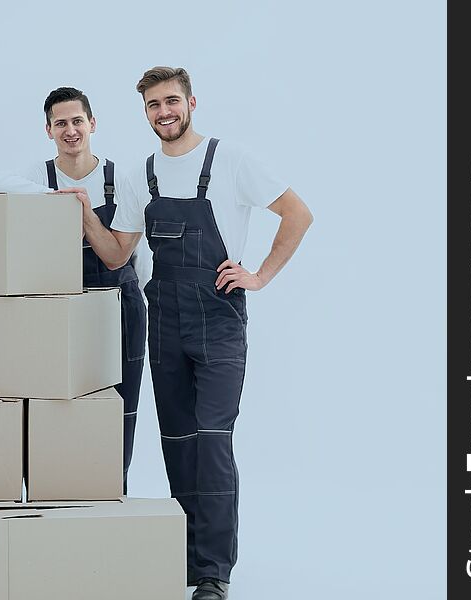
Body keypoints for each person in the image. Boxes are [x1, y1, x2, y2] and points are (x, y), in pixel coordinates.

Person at [71, 67, 313, 600]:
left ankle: (213, 574)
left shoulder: (230, 160)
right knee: (178, 442)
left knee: (212, 440)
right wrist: (86, 213)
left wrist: (260, 274)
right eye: (154, 105)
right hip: (166, 320)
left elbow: (297, 213)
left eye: (172, 101)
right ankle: (185, 562)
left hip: (219, 317)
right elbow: (116, 255)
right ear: (145, 113)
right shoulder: (142, 176)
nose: (165, 112)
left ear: (192, 103)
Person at [24, 86, 149, 491]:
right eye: (60, 123)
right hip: (59, 306)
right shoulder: (33, 180)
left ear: (92, 124)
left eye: (77, 121)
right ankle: (57, 491)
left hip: (121, 304)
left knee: (121, 405)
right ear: (48, 130)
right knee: (57, 404)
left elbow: (138, 258)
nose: (70, 130)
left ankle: (114, 491)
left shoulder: (123, 180)